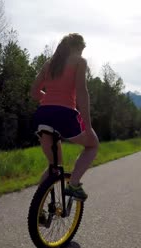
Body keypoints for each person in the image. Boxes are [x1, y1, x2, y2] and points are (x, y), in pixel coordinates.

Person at [30, 33, 99, 201]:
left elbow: (33, 92)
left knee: (54, 166)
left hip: (42, 115)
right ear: (78, 47)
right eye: (82, 49)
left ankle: (38, 210)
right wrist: (88, 126)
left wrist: (47, 99)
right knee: (93, 145)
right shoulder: (79, 62)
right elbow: (82, 92)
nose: (82, 53)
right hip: (65, 114)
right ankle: (74, 184)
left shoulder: (49, 64)